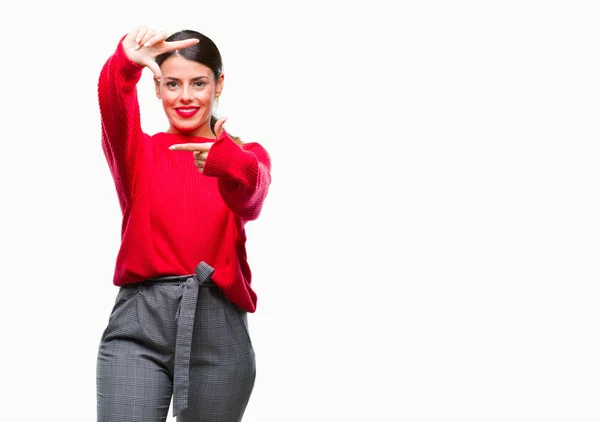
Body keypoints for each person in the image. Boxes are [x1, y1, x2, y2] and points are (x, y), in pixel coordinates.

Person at [96, 25, 272, 422]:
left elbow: (252, 196)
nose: (186, 97)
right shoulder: (138, 153)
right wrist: (125, 64)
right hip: (139, 324)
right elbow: (112, 106)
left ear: (219, 84)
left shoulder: (246, 155)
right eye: (171, 83)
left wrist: (225, 161)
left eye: (199, 83)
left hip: (219, 328)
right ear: (157, 88)